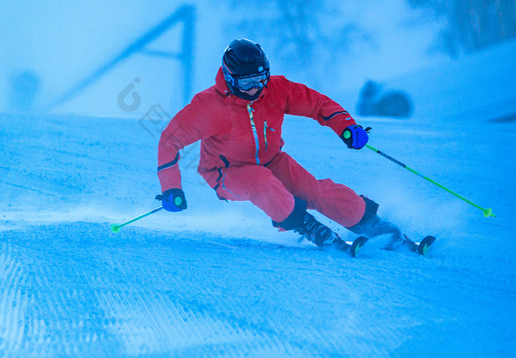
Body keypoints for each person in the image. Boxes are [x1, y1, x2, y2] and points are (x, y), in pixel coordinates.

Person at [156, 38, 404, 252]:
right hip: (225, 174)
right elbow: (170, 140)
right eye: (246, 83)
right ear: (230, 79)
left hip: (272, 160)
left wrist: (346, 127)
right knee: (259, 181)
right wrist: (171, 188)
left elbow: (317, 104)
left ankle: (370, 223)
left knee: (314, 191)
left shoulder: (275, 89)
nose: (255, 88)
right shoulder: (208, 106)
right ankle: (306, 225)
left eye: (260, 79)